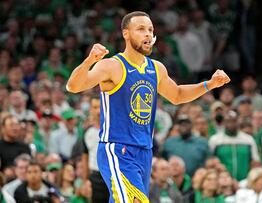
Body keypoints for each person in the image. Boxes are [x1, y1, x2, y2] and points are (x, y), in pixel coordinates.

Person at [66, 11, 230, 203]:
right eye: (141, 29)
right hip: (118, 149)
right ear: (126, 33)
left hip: (144, 152)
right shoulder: (112, 66)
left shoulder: (157, 68)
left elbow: (176, 95)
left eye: (150, 30)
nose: (147, 34)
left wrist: (209, 85)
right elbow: (73, 86)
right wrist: (90, 60)